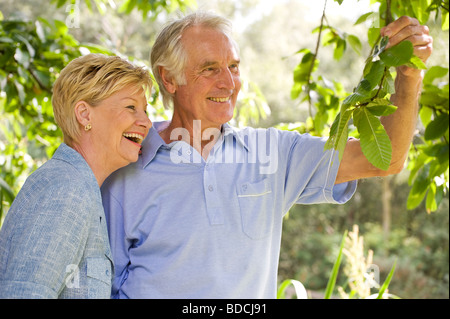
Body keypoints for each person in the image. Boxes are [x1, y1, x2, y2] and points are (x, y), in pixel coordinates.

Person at [101, 12, 433, 298]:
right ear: (168, 78)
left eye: (233, 66)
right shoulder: (124, 162)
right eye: (210, 69)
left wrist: (409, 76)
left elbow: (384, 160)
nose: (229, 83)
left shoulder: (272, 154)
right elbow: (102, 285)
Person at [0, 53, 153, 298]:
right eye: (131, 107)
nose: (147, 122)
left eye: (145, 110)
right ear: (84, 114)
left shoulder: (80, 186)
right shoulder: (66, 190)